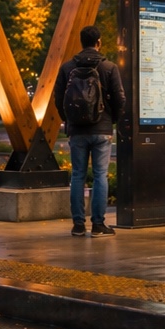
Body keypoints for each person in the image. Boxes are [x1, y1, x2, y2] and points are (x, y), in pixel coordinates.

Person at [53, 25, 126, 237]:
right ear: (99, 42)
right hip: (102, 129)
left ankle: (78, 225)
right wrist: (112, 120)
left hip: (77, 130)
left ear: (81, 42)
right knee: (101, 175)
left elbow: (58, 98)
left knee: (77, 175)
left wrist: (68, 119)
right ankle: (98, 225)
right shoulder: (109, 67)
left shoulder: (67, 68)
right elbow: (120, 98)